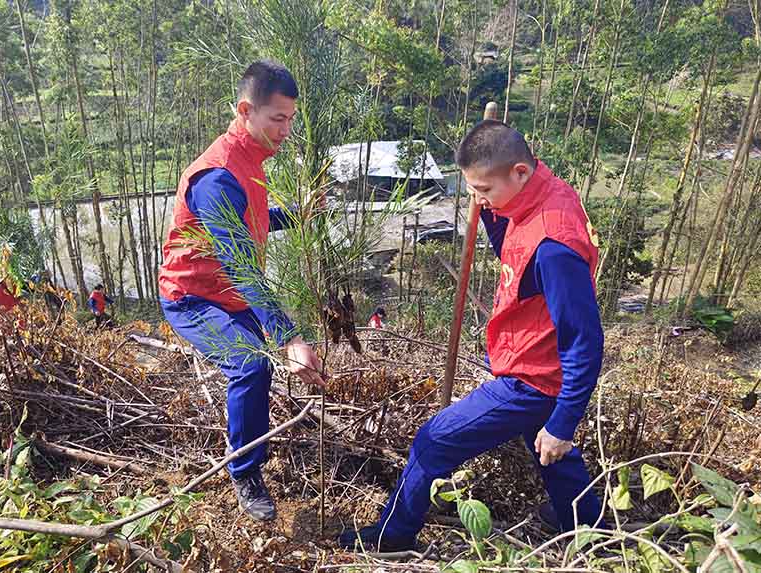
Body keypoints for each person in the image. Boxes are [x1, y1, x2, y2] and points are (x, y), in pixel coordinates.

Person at [340, 120, 604, 551]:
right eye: (474, 190)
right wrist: (490, 209)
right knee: (550, 454)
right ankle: (588, 528)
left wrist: (565, 419)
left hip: (532, 379)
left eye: (484, 190)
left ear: (520, 171)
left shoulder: (555, 245)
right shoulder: (541, 190)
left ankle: (394, 535)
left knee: (433, 441)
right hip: (532, 358)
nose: (479, 199)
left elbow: (584, 341)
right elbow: (513, 252)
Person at [159, 60, 325, 522]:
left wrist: (296, 214)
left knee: (270, 357)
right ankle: (245, 472)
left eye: (291, 118)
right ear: (245, 110)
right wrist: (289, 338)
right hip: (192, 297)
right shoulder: (217, 175)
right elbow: (240, 267)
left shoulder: (252, 158)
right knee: (251, 363)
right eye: (278, 119)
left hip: (229, 294)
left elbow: (251, 221)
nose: (286, 129)